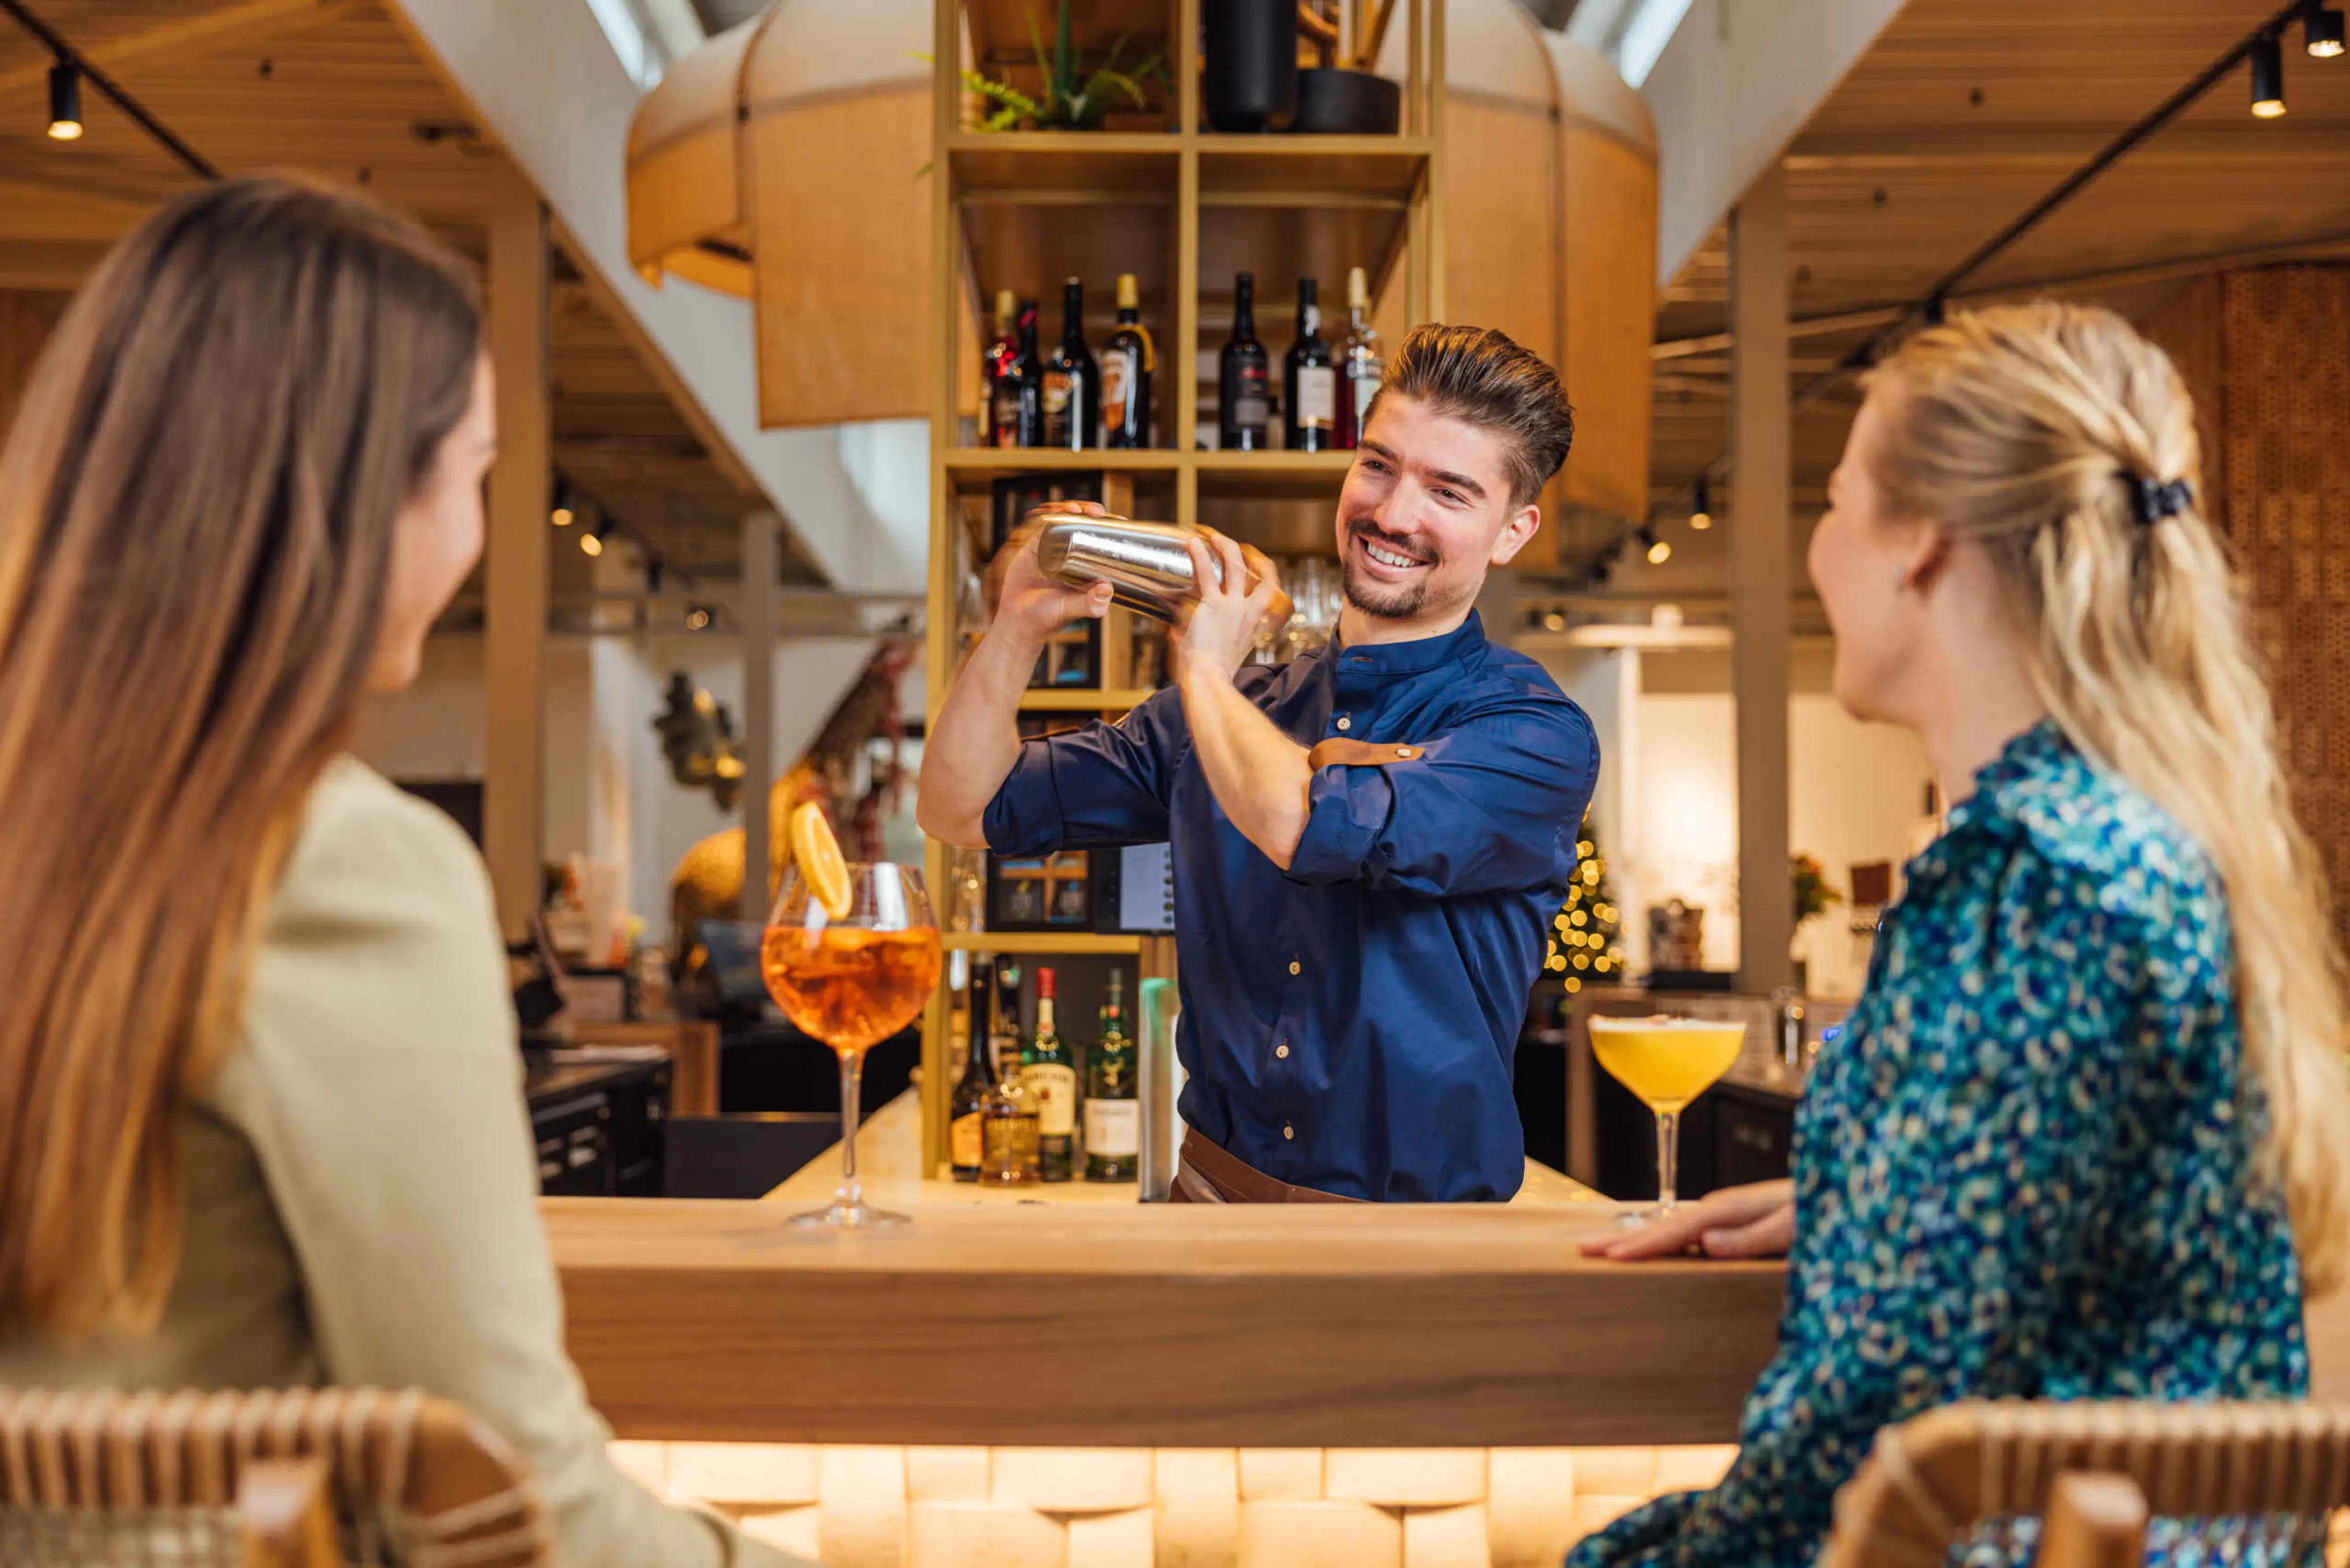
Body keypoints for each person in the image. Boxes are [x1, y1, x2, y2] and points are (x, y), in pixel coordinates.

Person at [0, 177, 804, 1568]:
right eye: (478, 474)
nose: (479, 533)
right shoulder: (340, 863)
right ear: (362, 498)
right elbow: (513, 1503)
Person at [1570, 301, 2350, 1567]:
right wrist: (1859, 1196)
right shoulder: (2138, 836)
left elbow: (1871, 1422)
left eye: (1834, 504)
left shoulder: (2025, 880)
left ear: (1919, 541)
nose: (1818, 553)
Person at [920, 324, 1597, 1202]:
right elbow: (961, 808)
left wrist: (1203, 667)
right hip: (1207, 1201)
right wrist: (1014, 626)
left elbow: (1310, 821)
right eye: (1379, 464)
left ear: (1512, 531)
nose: (1393, 514)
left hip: (1417, 1249)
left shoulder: (1529, 733)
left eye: (1449, 491)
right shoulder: (1226, 713)